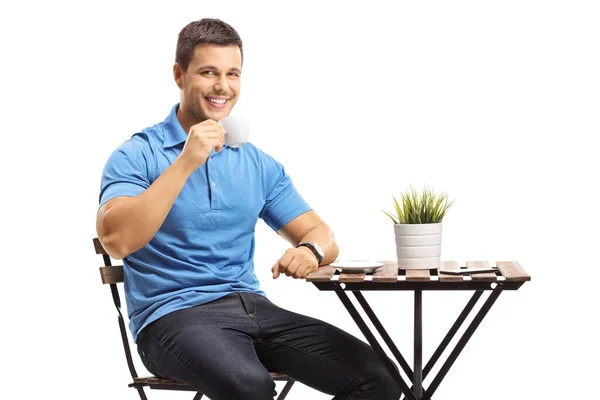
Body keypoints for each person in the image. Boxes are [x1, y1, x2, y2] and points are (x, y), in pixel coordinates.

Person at [96, 18, 401, 400]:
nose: (222, 86)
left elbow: (322, 235)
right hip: (172, 318)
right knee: (250, 387)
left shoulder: (257, 164)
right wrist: (186, 162)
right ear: (179, 75)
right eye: (208, 72)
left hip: (254, 307)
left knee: (379, 377)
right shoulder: (137, 155)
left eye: (232, 74)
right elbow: (117, 240)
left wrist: (310, 251)